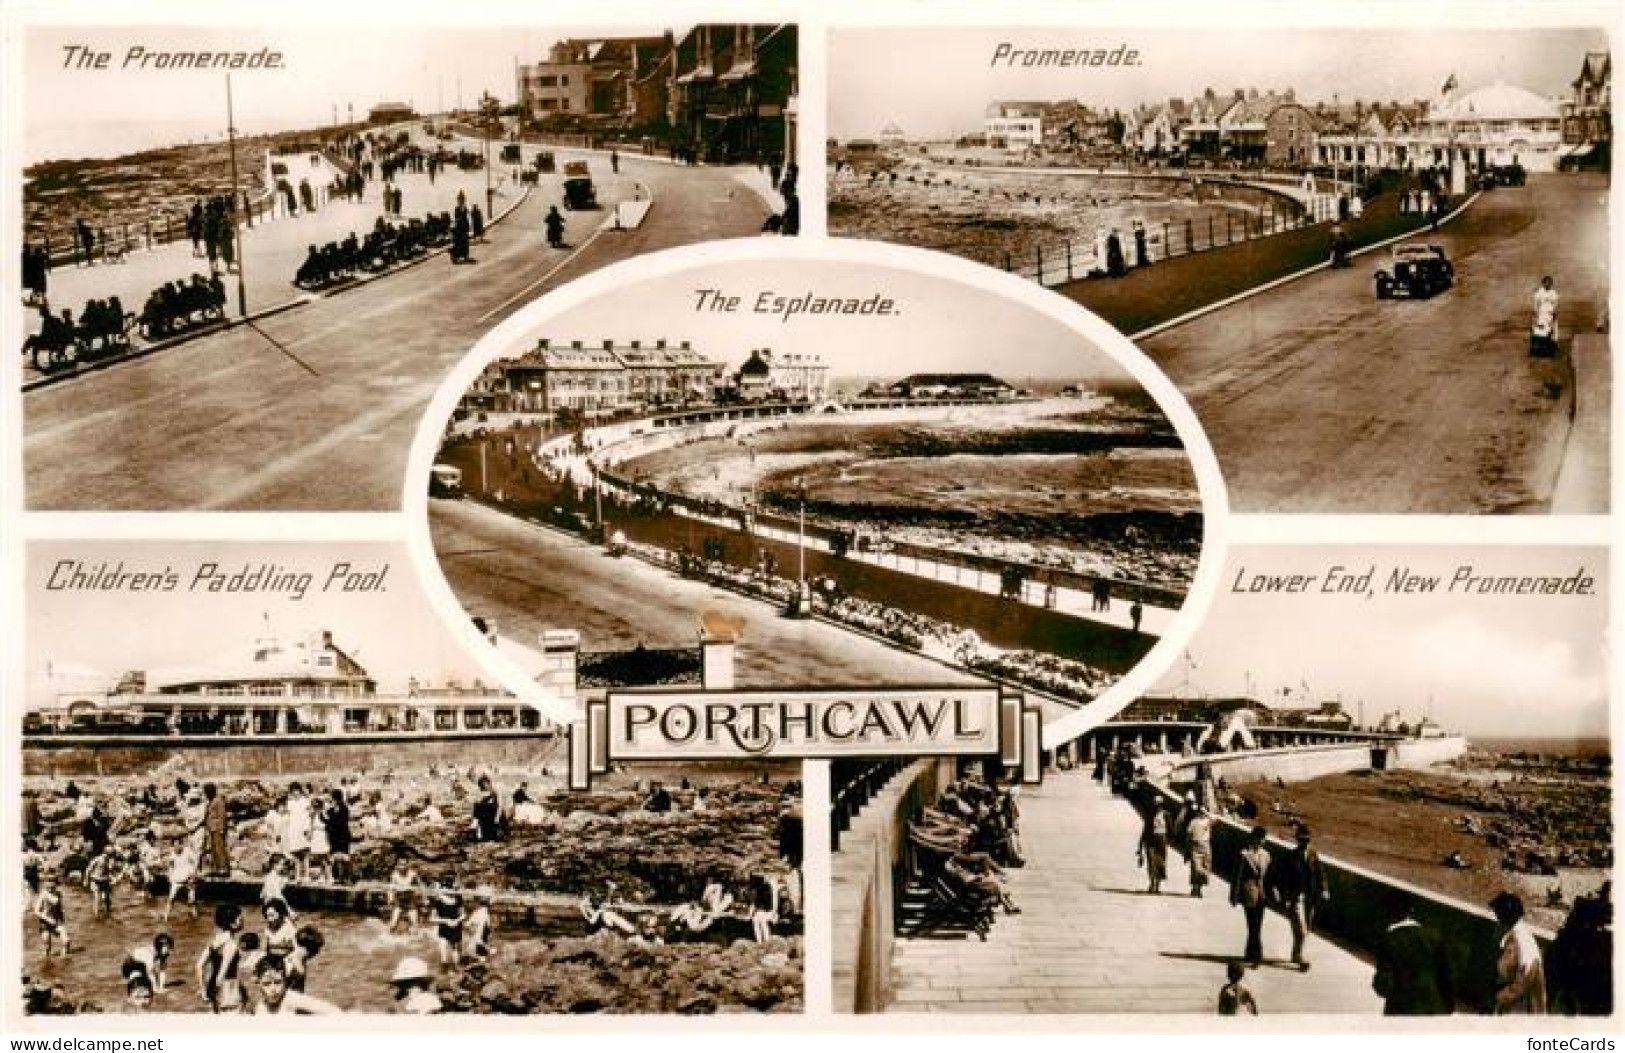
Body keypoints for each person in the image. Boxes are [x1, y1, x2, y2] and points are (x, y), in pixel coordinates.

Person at [1372, 897, 1453, 1015]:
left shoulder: (1388, 940)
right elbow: (1446, 976)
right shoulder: (1433, 937)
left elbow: (1384, 984)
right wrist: (1447, 1006)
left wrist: (1378, 984)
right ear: (1411, 911)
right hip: (1434, 1007)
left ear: (1387, 914)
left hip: (1402, 1009)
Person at [1272, 825, 1328, 971]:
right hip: (1294, 898)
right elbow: (1282, 878)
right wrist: (1283, 896)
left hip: (1310, 897)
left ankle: (1296, 953)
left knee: (1306, 929)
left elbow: (1320, 874)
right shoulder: (1290, 856)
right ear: (1298, 841)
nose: (1305, 843)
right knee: (1301, 930)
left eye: (1307, 840)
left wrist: (1325, 889)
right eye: (1302, 840)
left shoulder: (1313, 854)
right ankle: (1298, 957)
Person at [1491, 891, 1548, 1014]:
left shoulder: (1518, 939)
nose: (1497, 919)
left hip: (1521, 1007)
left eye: (1498, 915)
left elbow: (1524, 978)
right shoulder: (1520, 934)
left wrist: (1499, 997)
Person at [1231, 826, 1271, 967]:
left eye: (1263, 839)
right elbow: (1237, 876)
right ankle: (1257, 956)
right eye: (1261, 839)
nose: (1263, 841)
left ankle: (1249, 952)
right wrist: (1234, 896)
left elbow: (1269, 877)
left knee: (1257, 926)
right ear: (1254, 838)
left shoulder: (1266, 855)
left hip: (1262, 895)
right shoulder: (1244, 854)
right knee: (1253, 925)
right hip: (1248, 893)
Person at [198, 903, 245, 1013]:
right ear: (232, 923)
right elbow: (221, 975)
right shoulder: (231, 945)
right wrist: (222, 994)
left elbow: (199, 965)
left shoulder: (215, 940)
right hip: (227, 987)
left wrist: (203, 991)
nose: (242, 919)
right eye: (239, 917)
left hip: (211, 986)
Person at [253, 955, 339, 1015]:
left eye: (278, 982)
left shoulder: (292, 999)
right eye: (266, 984)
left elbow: (334, 1012)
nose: (273, 989)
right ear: (258, 983)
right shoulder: (261, 1007)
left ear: (285, 980)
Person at [33, 872, 70, 958]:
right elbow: (36, 911)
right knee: (47, 944)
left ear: (56, 884)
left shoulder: (58, 894)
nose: (50, 885)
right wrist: (47, 919)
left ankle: (65, 958)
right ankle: (47, 959)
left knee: (66, 941)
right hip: (45, 922)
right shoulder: (43, 895)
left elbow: (59, 908)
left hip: (57, 920)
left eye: (53, 883)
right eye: (48, 883)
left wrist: (62, 921)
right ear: (45, 884)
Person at [1137, 798, 1170, 894]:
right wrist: (1140, 846)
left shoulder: (1166, 815)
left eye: (1159, 805)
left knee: (1160, 863)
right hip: (1150, 841)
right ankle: (1152, 884)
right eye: (1156, 804)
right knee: (1151, 863)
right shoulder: (1150, 815)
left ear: (1161, 805)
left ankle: (1157, 885)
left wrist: (1167, 839)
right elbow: (1145, 830)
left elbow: (1171, 831)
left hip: (1161, 842)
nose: (1157, 807)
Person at [1185, 802, 1213, 898]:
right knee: (1196, 868)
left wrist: (1207, 813)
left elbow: (1216, 819)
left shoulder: (1208, 821)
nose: (1201, 813)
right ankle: (1195, 887)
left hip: (1205, 846)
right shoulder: (1193, 822)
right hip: (1195, 846)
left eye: (1202, 811)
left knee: (1205, 868)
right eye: (1200, 811)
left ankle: (1198, 889)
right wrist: (1187, 848)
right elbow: (1188, 835)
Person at [201, 782, 229, 876]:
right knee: (213, 849)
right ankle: (217, 868)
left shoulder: (218, 801)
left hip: (217, 829)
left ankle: (223, 868)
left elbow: (222, 816)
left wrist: (221, 829)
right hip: (212, 829)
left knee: (219, 849)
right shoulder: (211, 801)